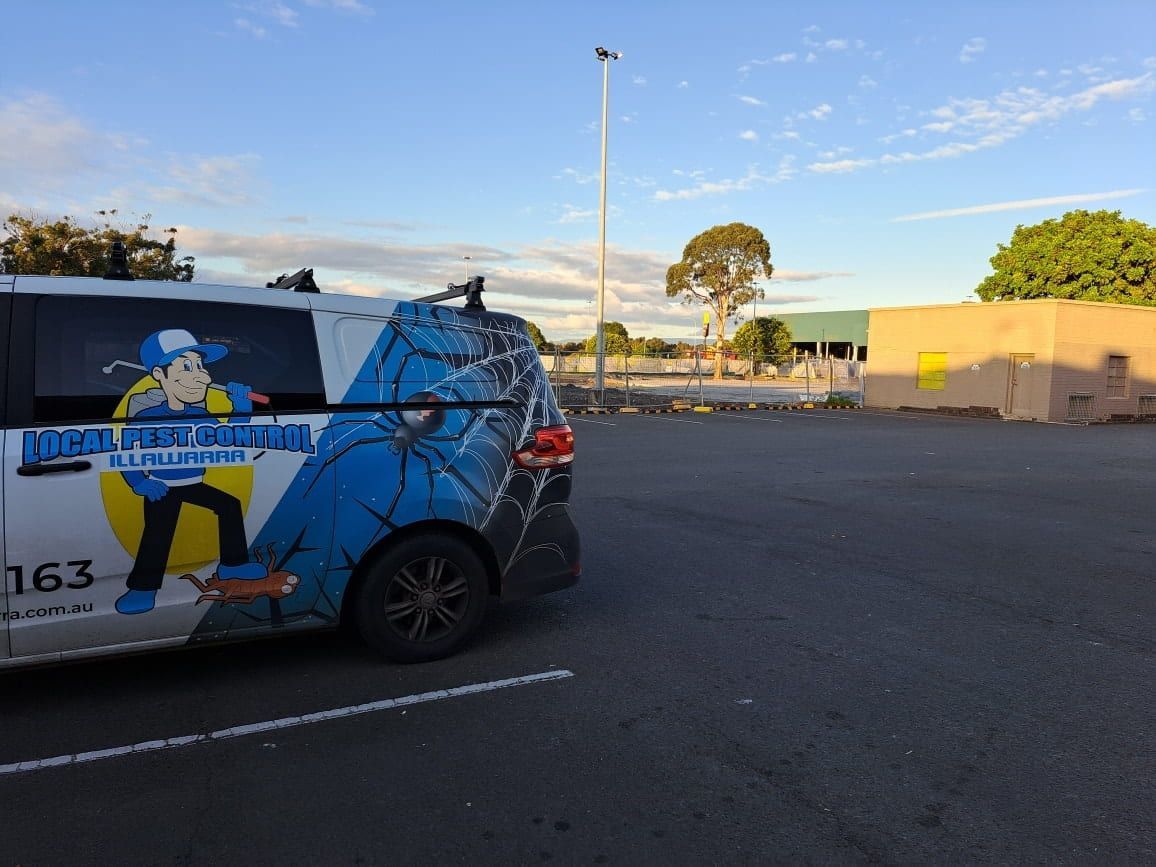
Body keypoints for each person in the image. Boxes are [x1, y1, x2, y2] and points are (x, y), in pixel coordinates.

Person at [115, 328, 266, 615]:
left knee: (229, 505)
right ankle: (142, 589)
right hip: (161, 486)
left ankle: (233, 564)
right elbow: (126, 454)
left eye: (200, 367)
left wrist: (241, 409)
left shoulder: (200, 414)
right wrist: (139, 483)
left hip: (193, 482)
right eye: (187, 367)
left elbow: (227, 439)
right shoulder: (146, 417)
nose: (204, 377)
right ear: (159, 375)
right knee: (158, 534)